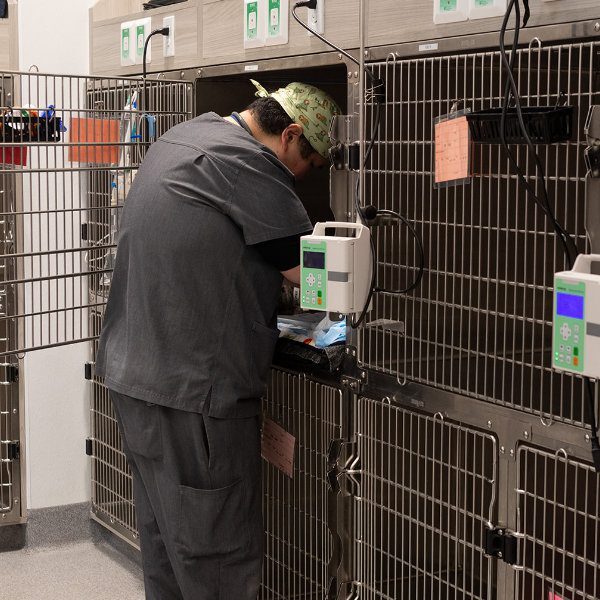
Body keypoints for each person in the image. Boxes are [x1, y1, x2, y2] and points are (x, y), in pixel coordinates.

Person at [95, 79, 341, 600]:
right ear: (290, 133)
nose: (304, 175)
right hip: (195, 396)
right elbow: (313, 275)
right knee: (217, 560)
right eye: (310, 162)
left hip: (134, 377)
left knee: (167, 550)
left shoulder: (188, 136)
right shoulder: (251, 164)